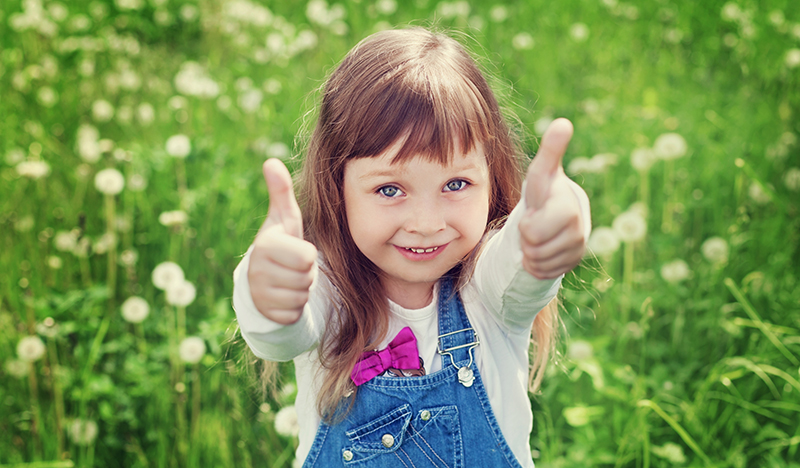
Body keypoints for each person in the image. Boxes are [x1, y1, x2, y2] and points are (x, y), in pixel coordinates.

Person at [233, 27, 591, 468]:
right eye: (389, 190)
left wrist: (551, 221)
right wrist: (269, 294)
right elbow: (282, 335)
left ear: (491, 177)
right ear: (337, 186)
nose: (426, 224)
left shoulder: (490, 294)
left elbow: (521, 267)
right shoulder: (326, 291)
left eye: (455, 184)